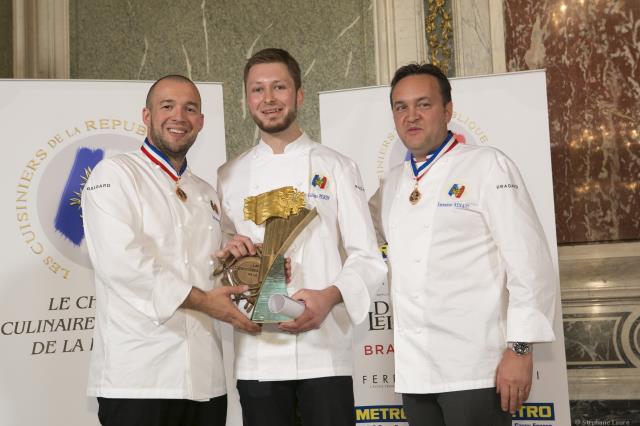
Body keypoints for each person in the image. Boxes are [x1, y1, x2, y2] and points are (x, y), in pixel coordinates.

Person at [369, 63, 557, 425]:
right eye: (401, 107)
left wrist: (520, 350)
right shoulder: (392, 182)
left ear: (448, 110)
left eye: (423, 104)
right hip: (415, 372)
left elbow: (529, 262)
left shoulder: (488, 166)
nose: (411, 116)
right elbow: (358, 242)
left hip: (477, 369)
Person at [216, 48, 387, 426]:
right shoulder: (229, 174)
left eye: (279, 87)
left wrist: (328, 297)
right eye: (258, 90)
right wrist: (232, 255)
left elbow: (367, 256)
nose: (269, 98)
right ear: (247, 100)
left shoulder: (337, 167)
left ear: (299, 95)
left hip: (323, 349)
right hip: (257, 351)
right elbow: (226, 258)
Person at [82, 74, 260, 426]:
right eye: (167, 106)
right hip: (138, 380)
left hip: (204, 378)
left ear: (201, 122)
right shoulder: (115, 174)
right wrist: (205, 301)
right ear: (146, 116)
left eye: (189, 108)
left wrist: (235, 258)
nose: (179, 116)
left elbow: (208, 266)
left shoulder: (207, 192)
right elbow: (122, 263)